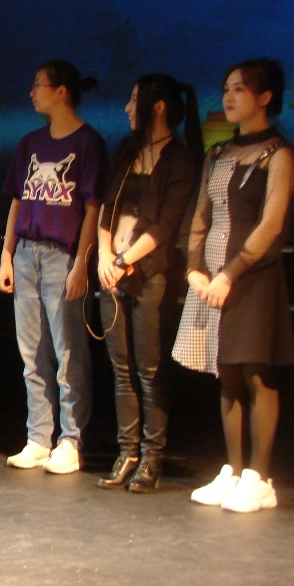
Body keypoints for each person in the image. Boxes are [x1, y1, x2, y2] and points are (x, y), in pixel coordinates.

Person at [173, 58, 294, 513]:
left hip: (252, 276)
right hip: (213, 277)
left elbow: (271, 224)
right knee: (225, 372)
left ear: (265, 97)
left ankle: (259, 478)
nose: (228, 96)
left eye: (240, 89)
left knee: (255, 372)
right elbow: (199, 216)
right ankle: (233, 469)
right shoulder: (219, 153)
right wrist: (194, 268)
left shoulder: (278, 154)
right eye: (226, 88)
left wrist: (230, 274)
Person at [0, 61, 106, 475]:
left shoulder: (88, 143)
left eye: (38, 85)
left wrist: (82, 263)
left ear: (61, 91)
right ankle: (38, 437)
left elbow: (93, 208)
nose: (32, 92)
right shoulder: (30, 143)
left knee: (68, 352)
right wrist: (6, 254)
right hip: (26, 253)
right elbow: (18, 200)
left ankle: (71, 441)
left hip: (63, 257)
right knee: (32, 354)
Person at [94, 74, 201, 492]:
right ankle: (127, 453)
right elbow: (106, 208)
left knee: (149, 369)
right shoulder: (127, 149)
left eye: (134, 100)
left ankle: (152, 456)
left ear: (157, 107)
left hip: (150, 275)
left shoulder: (180, 159)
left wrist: (125, 260)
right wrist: (104, 257)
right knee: (120, 368)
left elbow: (167, 224)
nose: (127, 107)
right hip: (112, 271)